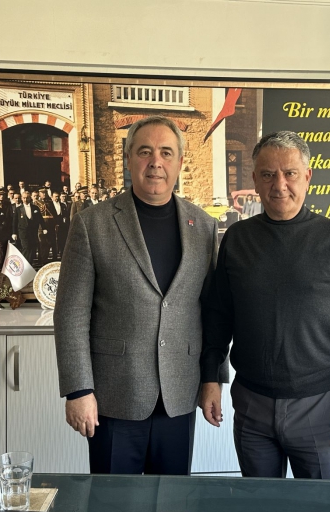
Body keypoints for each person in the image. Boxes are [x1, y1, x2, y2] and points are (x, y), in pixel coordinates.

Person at [199, 131, 330, 480]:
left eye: (290, 173)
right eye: (268, 174)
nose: (279, 185)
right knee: (262, 506)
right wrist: (210, 378)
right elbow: (219, 317)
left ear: (307, 176)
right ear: (255, 180)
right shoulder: (237, 239)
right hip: (251, 404)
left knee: (323, 507)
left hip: (319, 405)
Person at [54, 115, 224, 476]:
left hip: (179, 395)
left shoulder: (204, 226)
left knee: (172, 502)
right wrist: (78, 390)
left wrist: (213, 379)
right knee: (114, 504)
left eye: (166, 152)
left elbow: (214, 312)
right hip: (114, 397)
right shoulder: (92, 224)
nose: (155, 162)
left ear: (180, 161)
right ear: (129, 158)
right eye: (145, 151)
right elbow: (71, 314)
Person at [13, 190, 44, 266]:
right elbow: (14, 222)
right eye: (24, 198)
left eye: (27, 198)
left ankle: (30, 264)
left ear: (30, 198)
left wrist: (44, 228)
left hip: (33, 232)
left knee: (32, 248)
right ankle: (25, 265)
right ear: (21, 198)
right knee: (26, 248)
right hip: (23, 232)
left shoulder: (35, 208)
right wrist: (14, 233)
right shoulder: (18, 209)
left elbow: (40, 219)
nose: (25, 199)